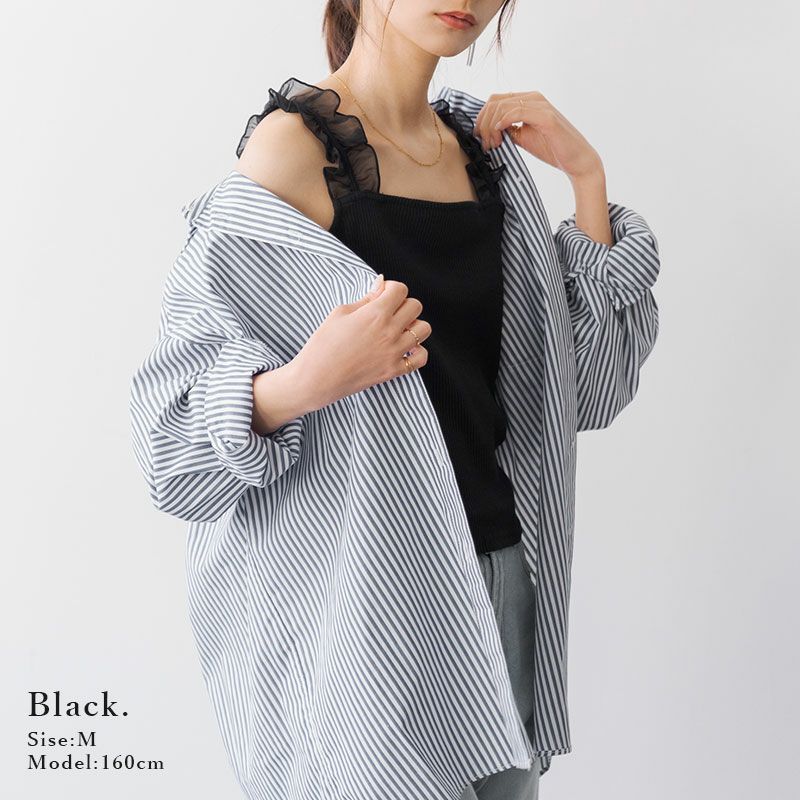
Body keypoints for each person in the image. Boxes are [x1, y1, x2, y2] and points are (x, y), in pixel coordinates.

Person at [129, 2, 661, 799]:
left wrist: (586, 181)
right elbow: (170, 447)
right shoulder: (292, 151)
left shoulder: (487, 158)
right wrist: (308, 380)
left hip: (499, 573)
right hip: (372, 596)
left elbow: (582, 393)